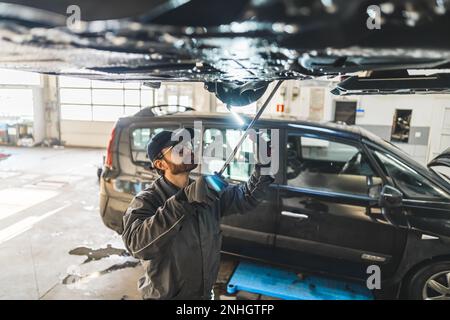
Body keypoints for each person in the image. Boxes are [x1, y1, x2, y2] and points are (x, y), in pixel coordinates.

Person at [122, 129, 274, 300]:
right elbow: (137, 246)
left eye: (187, 145)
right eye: (179, 149)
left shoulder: (205, 192)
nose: (188, 150)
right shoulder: (147, 200)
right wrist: (184, 200)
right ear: (160, 164)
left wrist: (264, 164)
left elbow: (247, 197)